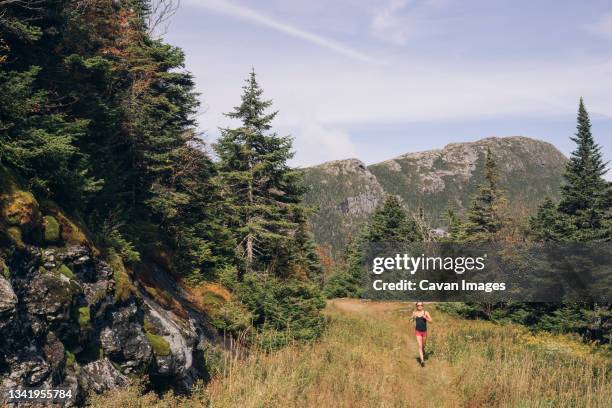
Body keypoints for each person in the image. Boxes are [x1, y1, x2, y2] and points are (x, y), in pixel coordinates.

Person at [412, 302, 432, 367]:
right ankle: (422, 361)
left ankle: (423, 350)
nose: (419, 306)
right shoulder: (414, 313)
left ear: (423, 306)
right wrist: (413, 318)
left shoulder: (426, 312)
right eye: (418, 305)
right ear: (416, 306)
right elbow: (410, 320)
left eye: (421, 305)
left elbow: (431, 321)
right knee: (420, 346)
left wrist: (426, 318)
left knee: (423, 345)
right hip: (417, 331)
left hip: (424, 332)